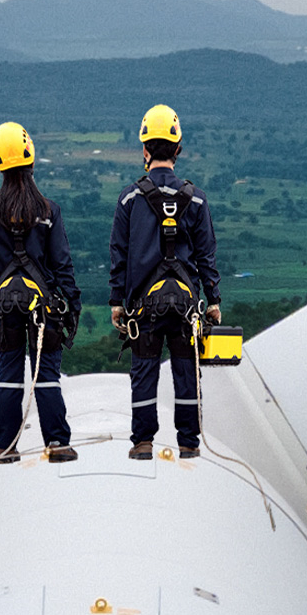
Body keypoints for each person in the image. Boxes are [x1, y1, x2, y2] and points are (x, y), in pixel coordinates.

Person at [109, 103, 218, 460]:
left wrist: (117, 302)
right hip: (187, 305)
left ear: (144, 150)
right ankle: (188, 442)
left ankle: (143, 442)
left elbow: (119, 255)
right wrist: (213, 300)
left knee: (144, 370)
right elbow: (206, 256)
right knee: (187, 372)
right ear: (178, 149)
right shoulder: (196, 199)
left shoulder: (129, 198)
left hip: (145, 306)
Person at [0, 121, 80, 462]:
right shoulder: (48, 211)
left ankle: (6, 446)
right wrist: (72, 306)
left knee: (9, 376)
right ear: (31, 155)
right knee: (45, 372)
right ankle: (57, 442)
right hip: (42, 307)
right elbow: (62, 265)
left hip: (4, 309)